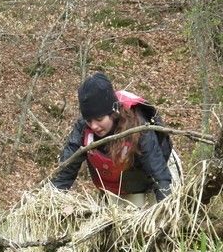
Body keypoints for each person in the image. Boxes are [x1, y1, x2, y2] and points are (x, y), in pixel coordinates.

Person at [51, 72, 180, 205]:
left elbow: (159, 174)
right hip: (119, 184)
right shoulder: (83, 129)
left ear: (113, 112)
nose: (94, 126)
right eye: (89, 120)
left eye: (99, 119)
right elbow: (66, 170)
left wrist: (164, 208)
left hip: (155, 173)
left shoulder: (138, 126)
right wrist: (52, 200)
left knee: (151, 215)